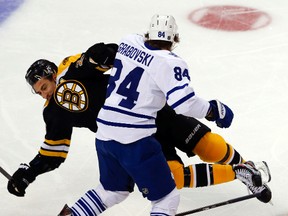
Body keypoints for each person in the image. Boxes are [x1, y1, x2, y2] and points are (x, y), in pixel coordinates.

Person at [7, 17, 271, 215]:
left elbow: (100, 56)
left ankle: (248, 170)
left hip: (152, 110)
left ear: (53, 74)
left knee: (208, 145)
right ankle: (240, 172)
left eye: (43, 86)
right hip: (132, 136)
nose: (43, 94)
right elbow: (53, 152)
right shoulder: (54, 112)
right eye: (38, 91)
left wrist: (104, 56)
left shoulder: (71, 68)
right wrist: (28, 172)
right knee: (174, 178)